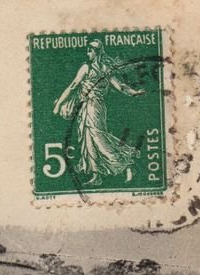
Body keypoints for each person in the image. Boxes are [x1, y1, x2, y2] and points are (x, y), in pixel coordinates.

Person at [52, 40, 146, 186]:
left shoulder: (94, 68)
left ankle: (126, 163)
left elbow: (119, 86)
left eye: (90, 51)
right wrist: (133, 92)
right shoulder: (97, 68)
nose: (87, 53)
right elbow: (74, 86)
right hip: (86, 106)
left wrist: (134, 92)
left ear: (96, 52)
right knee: (88, 138)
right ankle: (96, 175)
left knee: (98, 137)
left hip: (94, 106)